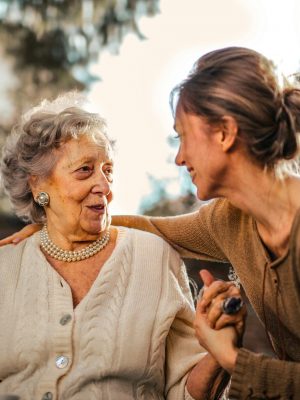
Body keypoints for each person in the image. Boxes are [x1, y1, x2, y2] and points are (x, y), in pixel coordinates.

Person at [0, 93, 239, 400]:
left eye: (108, 170)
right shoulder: (6, 266)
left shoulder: (154, 257)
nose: (104, 186)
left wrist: (220, 353)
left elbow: (185, 391)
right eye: (85, 169)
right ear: (38, 185)